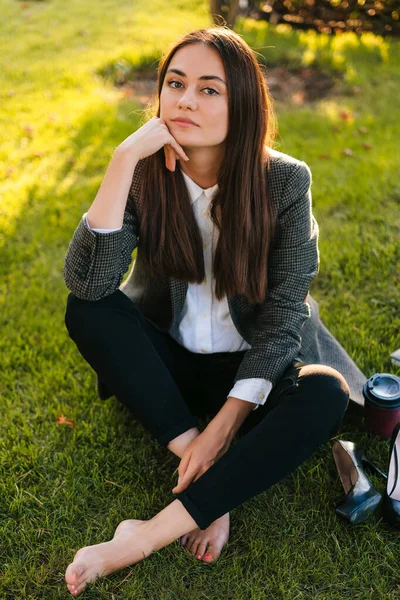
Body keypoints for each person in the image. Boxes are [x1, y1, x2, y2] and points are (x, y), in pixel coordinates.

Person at [62, 26, 365, 597]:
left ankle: (143, 536)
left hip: (253, 374)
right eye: (175, 84)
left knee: (323, 392)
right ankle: (203, 467)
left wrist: (225, 428)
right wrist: (122, 158)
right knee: (88, 310)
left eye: (209, 89)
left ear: (243, 104)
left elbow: (283, 317)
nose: (184, 101)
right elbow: (89, 281)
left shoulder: (284, 182)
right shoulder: (145, 171)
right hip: (173, 364)